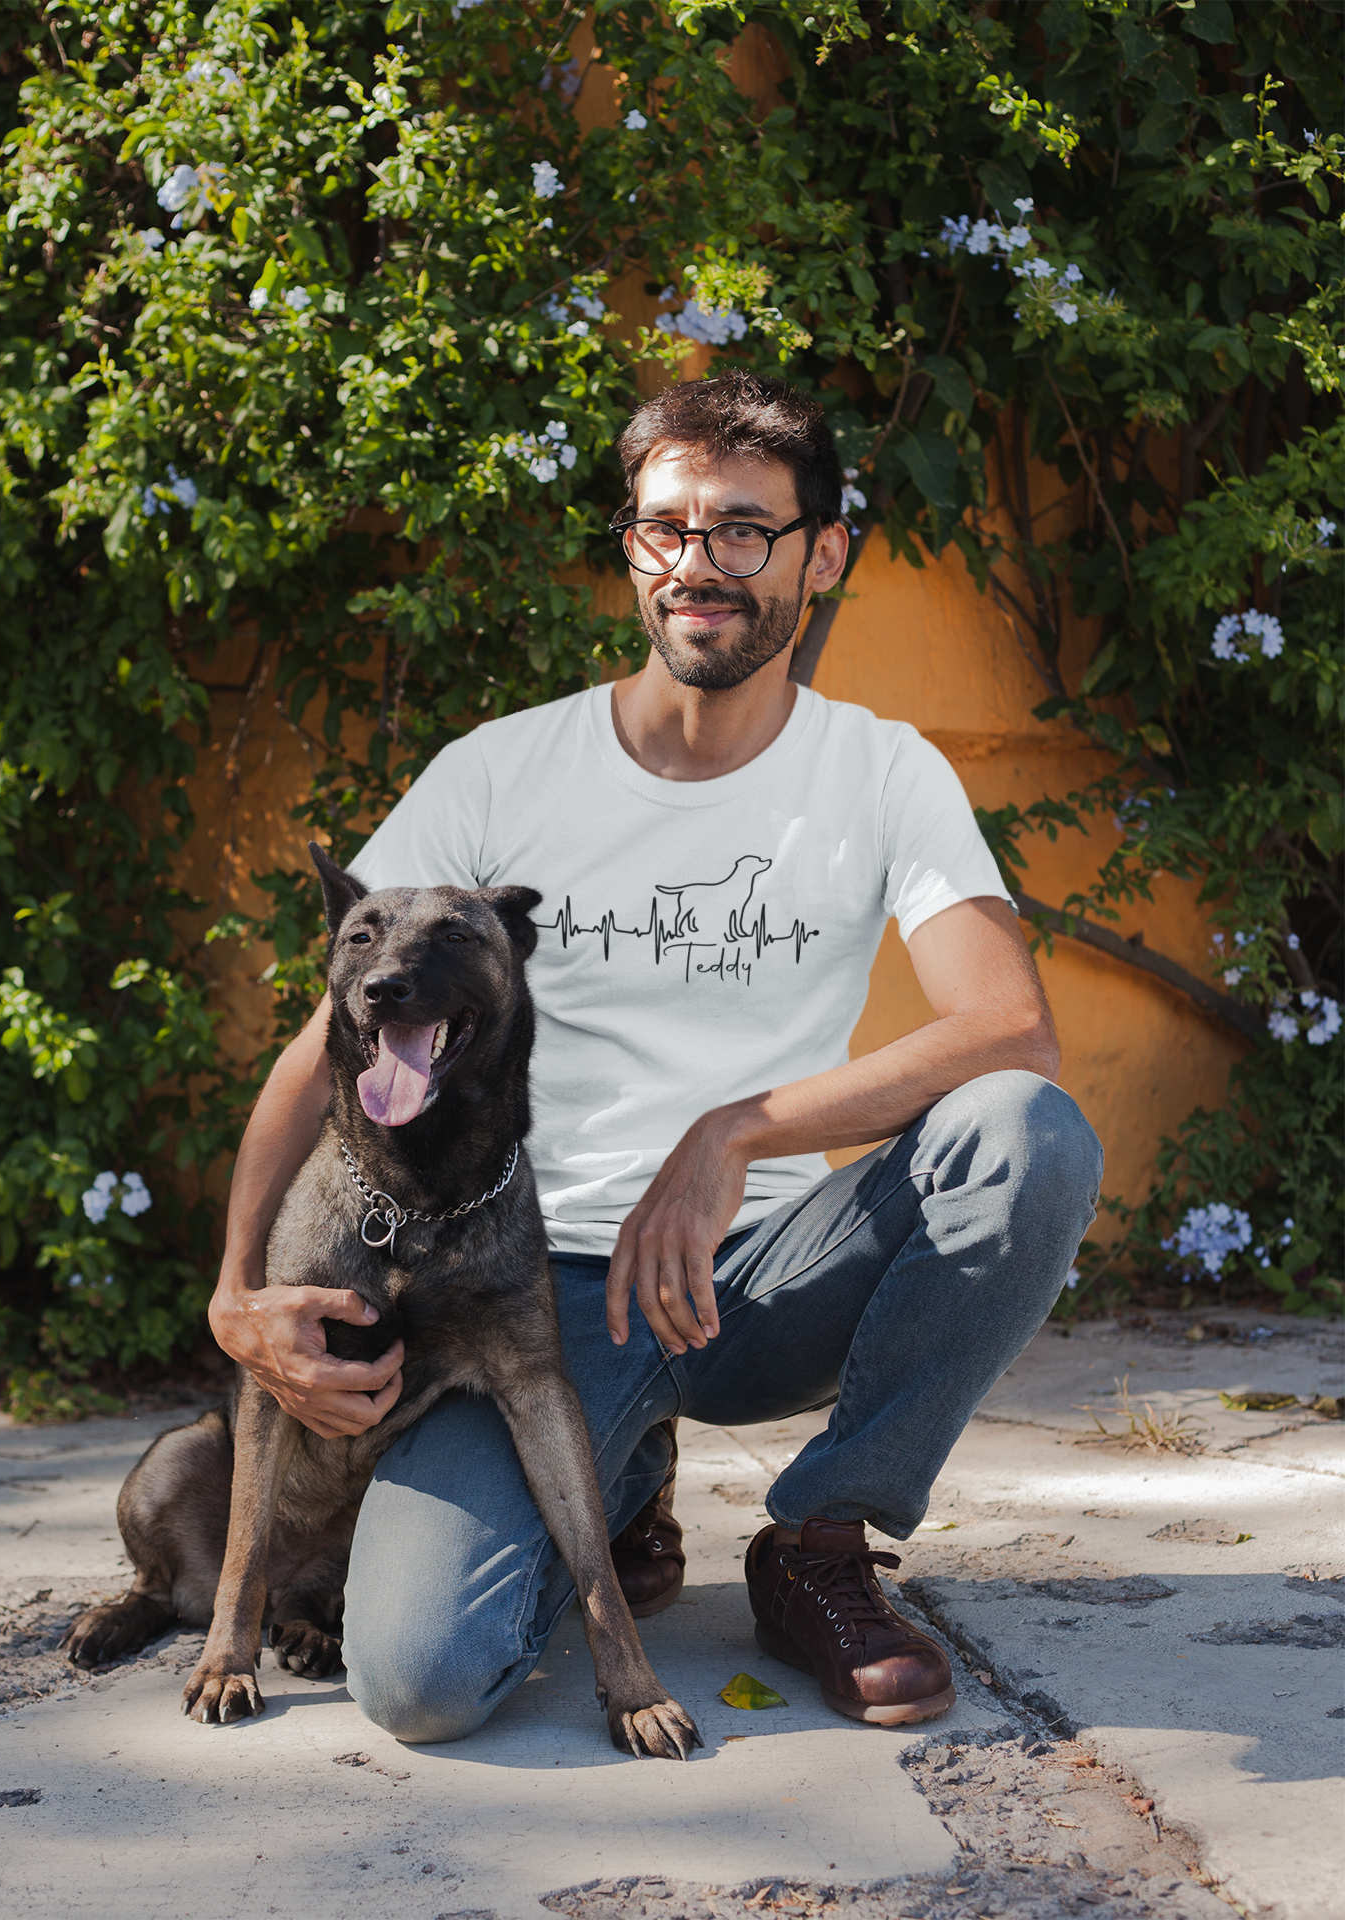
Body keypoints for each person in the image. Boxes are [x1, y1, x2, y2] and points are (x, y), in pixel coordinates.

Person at [208, 370, 1102, 1742]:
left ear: (823, 554)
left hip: (761, 1273)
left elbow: (1009, 1027)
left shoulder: (880, 770)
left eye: (744, 530)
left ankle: (821, 1541)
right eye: (665, 529)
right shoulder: (504, 771)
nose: (700, 565)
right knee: (419, 1680)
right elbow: (329, 1037)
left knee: (1026, 1133)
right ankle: (622, 1473)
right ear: (630, 545)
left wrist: (732, 1130)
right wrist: (233, 1296)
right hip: (528, 1293)